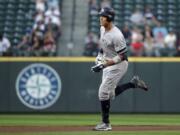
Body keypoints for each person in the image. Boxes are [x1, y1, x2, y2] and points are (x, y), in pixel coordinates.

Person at [91, 7, 148, 131]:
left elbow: (123, 56)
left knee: (103, 92)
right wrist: (100, 56)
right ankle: (133, 84)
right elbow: (104, 45)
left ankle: (106, 124)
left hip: (118, 65)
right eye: (100, 15)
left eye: (103, 16)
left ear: (109, 18)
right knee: (110, 94)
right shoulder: (102, 29)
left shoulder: (117, 35)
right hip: (108, 61)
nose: (100, 18)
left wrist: (103, 65)